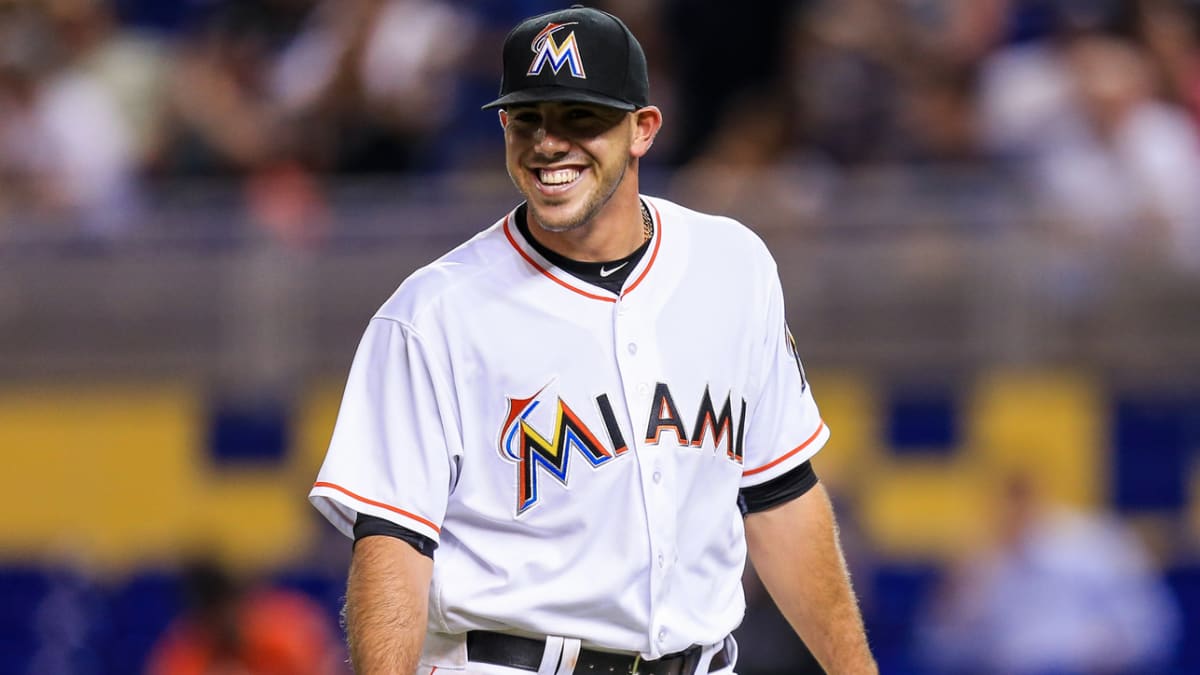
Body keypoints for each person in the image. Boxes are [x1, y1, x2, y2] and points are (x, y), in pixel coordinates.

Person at [309, 6, 877, 674]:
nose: (549, 142)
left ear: (643, 129)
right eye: (529, 118)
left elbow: (780, 493)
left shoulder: (733, 266)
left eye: (580, 116)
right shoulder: (433, 314)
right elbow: (391, 547)